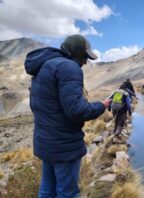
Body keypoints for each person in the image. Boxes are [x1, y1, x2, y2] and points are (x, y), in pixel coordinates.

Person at [24, 34, 111, 198]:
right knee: (68, 193)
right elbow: (77, 110)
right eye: (85, 57)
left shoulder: (43, 66)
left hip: (45, 141)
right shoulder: (69, 67)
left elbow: (37, 105)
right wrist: (102, 105)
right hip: (64, 145)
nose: (85, 62)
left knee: (47, 190)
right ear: (77, 52)